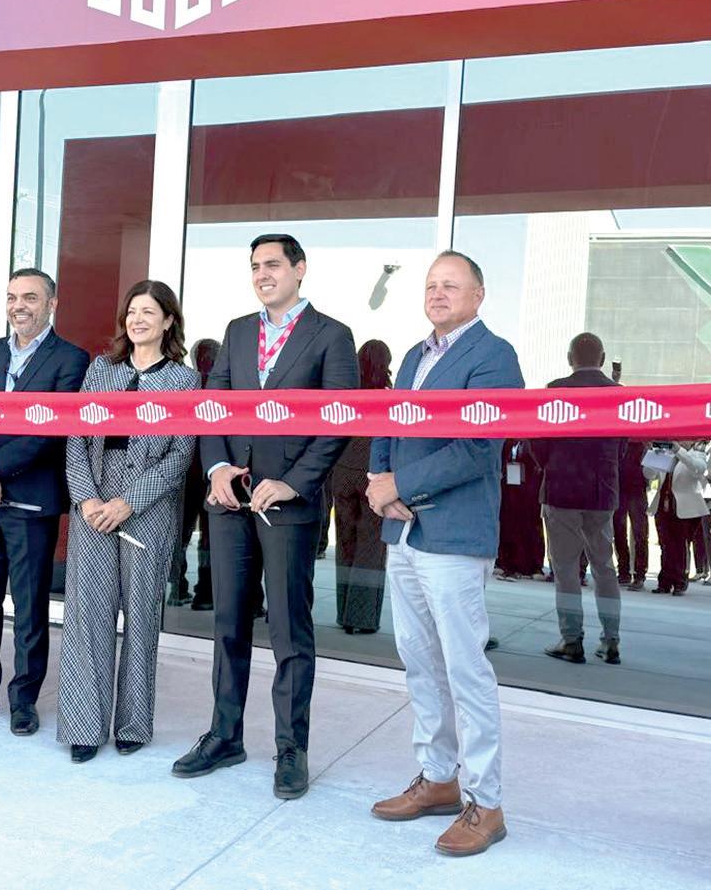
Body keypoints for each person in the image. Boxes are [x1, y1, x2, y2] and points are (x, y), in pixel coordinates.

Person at [172, 233, 359, 800]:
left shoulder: (332, 336)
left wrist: (293, 482)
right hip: (230, 503)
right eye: (255, 266)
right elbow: (213, 407)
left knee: (288, 630)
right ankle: (224, 736)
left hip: (287, 505)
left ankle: (291, 748)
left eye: (273, 264)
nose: (262, 274)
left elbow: (338, 420)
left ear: (300, 269)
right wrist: (217, 468)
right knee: (228, 622)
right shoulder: (236, 331)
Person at [366, 250, 523, 858]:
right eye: (431, 285)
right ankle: (438, 778)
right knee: (419, 661)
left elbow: (477, 447)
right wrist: (380, 484)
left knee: (464, 669)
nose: (437, 293)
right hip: (405, 534)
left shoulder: (493, 356)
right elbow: (388, 423)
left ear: (478, 296)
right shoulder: (413, 356)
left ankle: (486, 802)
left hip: (454, 535)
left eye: (451, 285)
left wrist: (402, 484)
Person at [0, 268, 89, 736]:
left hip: (30, 502)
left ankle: (23, 699)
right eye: (11, 297)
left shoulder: (71, 359)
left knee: (29, 607)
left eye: (29, 297)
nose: (18, 306)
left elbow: (52, 429)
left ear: (51, 304)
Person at [57, 281, 200, 762]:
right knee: (88, 615)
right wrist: (86, 499)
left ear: (168, 321)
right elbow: (76, 438)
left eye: (148, 312)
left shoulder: (184, 381)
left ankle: (133, 723)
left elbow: (180, 456)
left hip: (147, 506)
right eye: (132, 312)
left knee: (140, 618)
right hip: (94, 500)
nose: (137, 320)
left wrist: (128, 502)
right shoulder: (101, 370)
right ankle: (83, 726)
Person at [532, 333, 624, 666]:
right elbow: (623, 445)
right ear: (602, 359)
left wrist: (551, 466)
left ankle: (572, 640)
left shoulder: (555, 390)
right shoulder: (618, 394)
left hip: (562, 489)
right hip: (602, 492)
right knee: (605, 568)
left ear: (570, 358)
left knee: (566, 569)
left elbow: (538, 440)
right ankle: (611, 641)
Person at [333, 340, 391, 634]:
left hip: (343, 473)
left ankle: (344, 614)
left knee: (345, 543)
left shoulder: (348, 394)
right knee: (371, 548)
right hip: (373, 476)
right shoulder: (388, 398)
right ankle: (362, 618)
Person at [169, 338, 221, 611]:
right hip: (210, 472)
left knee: (181, 533)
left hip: (186, 472)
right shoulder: (223, 388)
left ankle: (177, 588)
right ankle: (205, 593)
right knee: (209, 537)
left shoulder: (185, 385)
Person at [647, 441, 709, 596]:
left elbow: (698, 469)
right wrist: (654, 456)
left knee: (680, 544)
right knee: (665, 544)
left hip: (685, 508)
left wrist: (679, 451)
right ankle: (664, 581)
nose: (679, 441)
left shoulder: (697, 455)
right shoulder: (667, 455)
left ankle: (679, 581)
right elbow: (649, 475)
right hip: (663, 505)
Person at [495, 440, 545, 579]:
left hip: (530, 489)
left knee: (531, 526)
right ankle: (508, 563)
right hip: (510, 488)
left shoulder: (532, 443)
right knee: (509, 525)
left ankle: (533, 565)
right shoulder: (508, 443)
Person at [615, 441, 650, 590]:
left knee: (640, 534)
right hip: (620, 489)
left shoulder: (642, 443)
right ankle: (624, 571)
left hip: (637, 489)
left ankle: (639, 573)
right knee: (619, 532)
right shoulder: (618, 441)